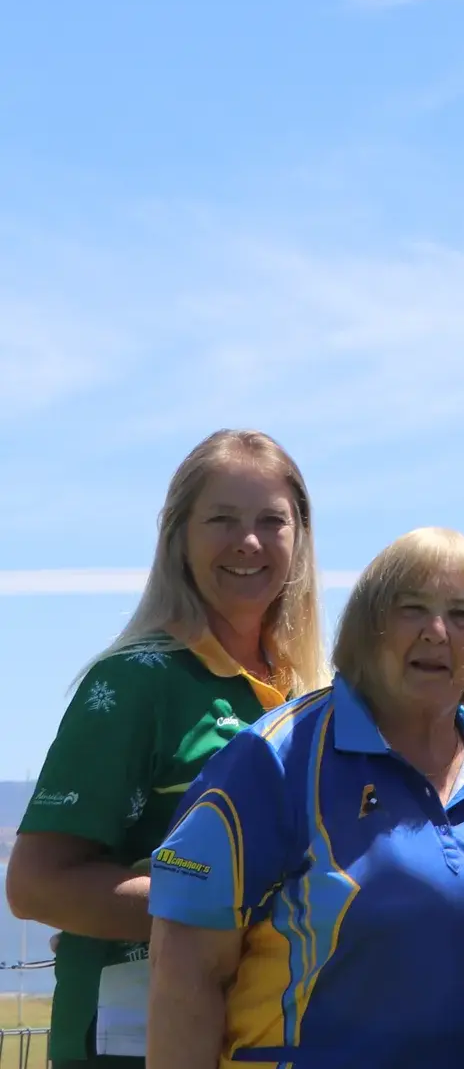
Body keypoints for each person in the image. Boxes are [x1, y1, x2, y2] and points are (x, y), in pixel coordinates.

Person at [145, 527, 464, 1069]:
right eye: (412, 608)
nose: (436, 632)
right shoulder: (273, 761)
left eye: (462, 615)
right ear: (371, 625)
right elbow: (188, 971)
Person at [5, 430, 323, 1069]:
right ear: (179, 536)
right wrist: (220, 910)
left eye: (271, 521)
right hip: (132, 1041)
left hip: (265, 1038)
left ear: (300, 540)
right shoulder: (134, 682)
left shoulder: (312, 697)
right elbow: (35, 886)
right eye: (222, 520)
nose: (249, 542)